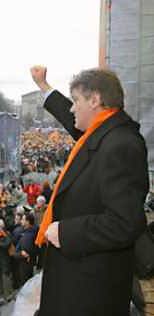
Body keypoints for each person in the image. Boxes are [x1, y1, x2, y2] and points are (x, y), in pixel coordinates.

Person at [30, 65, 149, 316]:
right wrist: (45, 87)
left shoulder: (121, 145)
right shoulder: (104, 133)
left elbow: (126, 222)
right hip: (80, 284)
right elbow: (74, 124)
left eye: (76, 101)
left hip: (89, 294)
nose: (72, 108)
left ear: (95, 100)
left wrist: (65, 231)